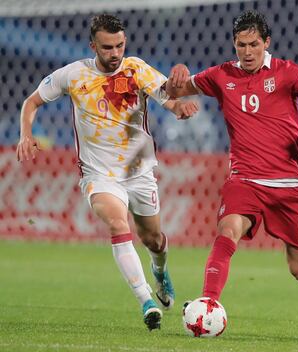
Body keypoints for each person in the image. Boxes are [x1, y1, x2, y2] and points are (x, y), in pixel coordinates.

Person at [16, 14, 198, 331]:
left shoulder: (137, 69)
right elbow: (31, 102)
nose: (115, 53)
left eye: (119, 46)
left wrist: (179, 107)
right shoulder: (72, 75)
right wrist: (25, 134)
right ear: (93, 46)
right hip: (99, 175)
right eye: (107, 47)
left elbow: (166, 96)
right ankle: (147, 303)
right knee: (117, 223)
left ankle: (160, 271)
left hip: (139, 172)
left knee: (153, 239)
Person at [166, 10, 298, 308]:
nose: (247, 52)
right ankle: (208, 303)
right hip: (245, 179)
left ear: (266, 42)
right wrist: (177, 72)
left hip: (289, 184)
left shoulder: (287, 72)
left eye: (254, 44)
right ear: (234, 44)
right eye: (241, 45)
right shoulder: (221, 75)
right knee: (227, 230)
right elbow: (174, 89)